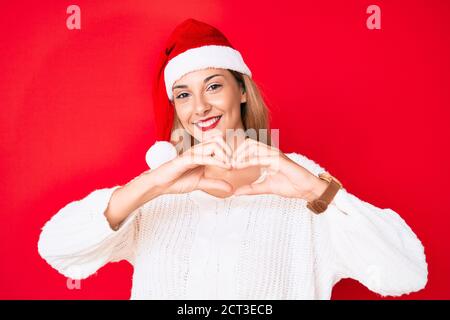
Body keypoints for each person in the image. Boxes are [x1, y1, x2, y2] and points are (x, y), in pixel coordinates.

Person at [38, 18, 428, 299]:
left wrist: (317, 190)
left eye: (213, 86)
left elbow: (404, 273)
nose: (201, 106)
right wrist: (155, 183)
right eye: (184, 94)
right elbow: (56, 247)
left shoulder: (302, 183)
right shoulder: (158, 188)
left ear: (241, 90)